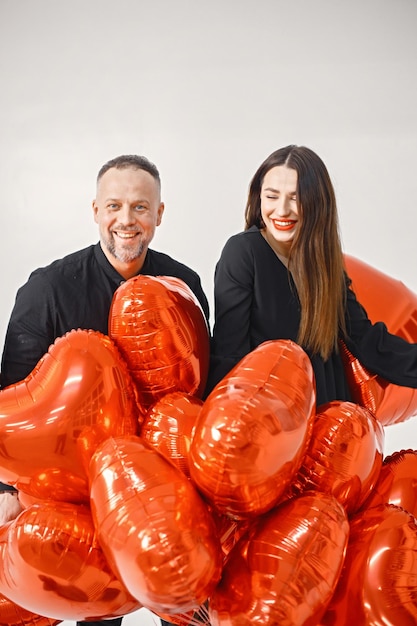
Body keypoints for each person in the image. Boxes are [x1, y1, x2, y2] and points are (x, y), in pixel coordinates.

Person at [0, 154, 210, 626]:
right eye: (114, 205)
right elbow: (13, 398)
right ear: (95, 210)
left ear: (159, 214)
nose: (126, 220)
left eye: (140, 207)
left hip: (161, 483)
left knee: (183, 604)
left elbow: (196, 391)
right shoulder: (47, 290)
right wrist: (5, 489)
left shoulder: (183, 286)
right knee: (97, 614)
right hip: (74, 487)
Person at [208, 144, 417, 405]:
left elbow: (367, 341)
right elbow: (228, 355)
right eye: (271, 196)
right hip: (272, 422)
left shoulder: (324, 263)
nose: (282, 210)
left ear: (318, 203)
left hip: (331, 423)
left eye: (295, 198)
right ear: (258, 197)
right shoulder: (243, 252)